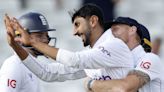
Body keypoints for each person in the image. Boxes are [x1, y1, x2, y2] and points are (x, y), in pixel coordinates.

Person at [5, 4, 134, 85]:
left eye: (77, 24)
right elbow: (47, 73)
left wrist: (33, 41)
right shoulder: (95, 56)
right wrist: (15, 45)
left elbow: (74, 60)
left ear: (93, 21)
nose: (74, 32)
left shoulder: (115, 45)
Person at [86, 17, 164, 92]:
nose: (111, 35)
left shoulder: (150, 58)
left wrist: (91, 84)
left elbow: (124, 88)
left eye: (116, 29)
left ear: (132, 30)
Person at [0, 12, 56, 92]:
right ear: (20, 36)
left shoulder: (35, 65)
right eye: (39, 35)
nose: (45, 40)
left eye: (46, 35)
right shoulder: (13, 65)